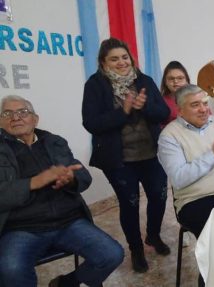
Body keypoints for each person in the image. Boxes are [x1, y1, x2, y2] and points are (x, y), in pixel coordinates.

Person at [0, 95, 124, 287]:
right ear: (1, 121)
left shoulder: (54, 141)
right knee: (10, 271)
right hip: (20, 228)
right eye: (7, 113)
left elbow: (83, 177)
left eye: (22, 112)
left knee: (112, 254)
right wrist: (35, 182)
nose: (15, 117)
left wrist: (71, 179)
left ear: (35, 119)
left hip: (68, 222)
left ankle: (66, 283)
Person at [81, 38, 170, 273]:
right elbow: (91, 123)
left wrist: (145, 107)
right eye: (114, 59)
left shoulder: (145, 81)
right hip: (118, 160)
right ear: (103, 63)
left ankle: (153, 236)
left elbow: (163, 112)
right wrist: (124, 111)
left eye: (124, 57)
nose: (121, 62)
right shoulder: (95, 85)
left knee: (159, 197)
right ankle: (136, 249)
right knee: (129, 204)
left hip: (151, 154)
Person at [157, 84, 214, 238]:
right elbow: (179, 178)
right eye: (195, 105)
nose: (204, 109)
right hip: (195, 200)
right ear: (180, 110)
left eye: (204, 103)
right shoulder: (169, 136)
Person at [160, 60, 191, 127]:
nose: (176, 81)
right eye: (171, 78)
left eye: (180, 78)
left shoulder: (197, 99)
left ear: (187, 80)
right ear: (165, 82)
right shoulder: (160, 102)